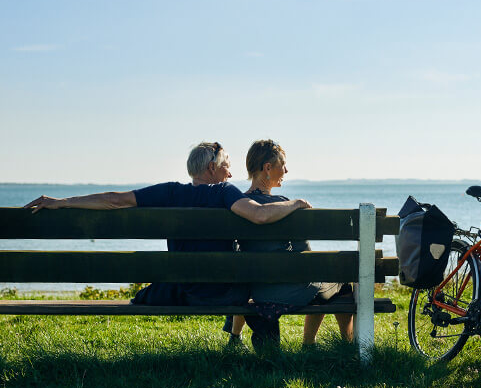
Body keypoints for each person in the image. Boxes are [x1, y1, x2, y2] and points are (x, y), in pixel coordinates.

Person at [24, 142, 312, 341]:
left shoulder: (170, 192)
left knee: (153, 289)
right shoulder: (224, 192)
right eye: (226, 166)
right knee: (256, 295)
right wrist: (296, 203)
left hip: (185, 291)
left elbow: (114, 200)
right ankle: (265, 353)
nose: (230, 173)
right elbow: (259, 216)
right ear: (212, 168)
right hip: (223, 294)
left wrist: (62, 202)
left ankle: (237, 338)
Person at [228, 139, 353, 350]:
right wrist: (298, 203)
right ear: (268, 168)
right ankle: (317, 345)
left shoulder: (237, 205)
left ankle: (234, 338)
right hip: (290, 292)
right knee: (343, 286)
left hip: (252, 290)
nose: (286, 169)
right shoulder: (288, 206)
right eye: (282, 164)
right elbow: (306, 254)